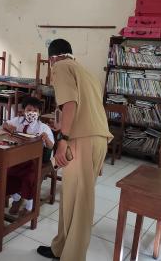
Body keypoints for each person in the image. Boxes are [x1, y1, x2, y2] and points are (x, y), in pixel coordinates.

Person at [36, 39, 113, 261]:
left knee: (80, 203)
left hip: (83, 141)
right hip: (97, 139)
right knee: (71, 197)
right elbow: (84, 107)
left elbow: (70, 104)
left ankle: (73, 256)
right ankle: (60, 248)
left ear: (52, 58)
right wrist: (63, 128)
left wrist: (62, 138)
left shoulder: (60, 67)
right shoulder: (85, 71)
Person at [3, 97, 55, 216]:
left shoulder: (43, 127)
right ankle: (16, 199)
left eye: (35, 110)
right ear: (24, 111)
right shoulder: (18, 121)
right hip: (18, 158)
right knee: (8, 172)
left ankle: (29, 205)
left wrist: (46, 138)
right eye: (29, 109)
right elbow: (5, 124)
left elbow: (51, 146)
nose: (32, 113)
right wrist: (8, 127)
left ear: (39, 113)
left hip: (35, 160)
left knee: (30, 178)